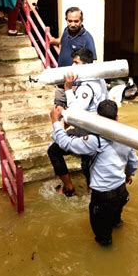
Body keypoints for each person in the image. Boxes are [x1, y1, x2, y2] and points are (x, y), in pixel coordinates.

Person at [49, 100, 138, 246]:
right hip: (121, 192)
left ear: (98, 118)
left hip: (103, 197)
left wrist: (55, 121)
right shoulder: (126, 137)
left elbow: (65, 143)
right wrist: (129, 174)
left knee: (103, 240)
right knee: (116, 223)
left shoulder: (94, 141)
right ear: (117, 117)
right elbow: (133, 162)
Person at [47, 48, 108, 196]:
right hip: (98, 128)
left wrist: (68, 89)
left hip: (87, 129)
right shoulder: (100, 79)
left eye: (76, 63)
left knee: (54, 150)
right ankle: (91, 191)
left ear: (85, 65)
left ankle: (69, 187)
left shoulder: (87, 86)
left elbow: (77, 111)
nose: (73, 66)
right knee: (87, 161)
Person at [50, 7, 97, 107]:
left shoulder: (87, 38)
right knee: (57, 112)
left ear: (82, 20)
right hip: (60, 82)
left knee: (72, 116)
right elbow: (61, 40)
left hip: (75, 86)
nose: (72, 24)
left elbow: (90, 64)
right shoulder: (66, 31)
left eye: (76, 21)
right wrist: (53, 41)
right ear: (66, 20)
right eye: (70, 21)